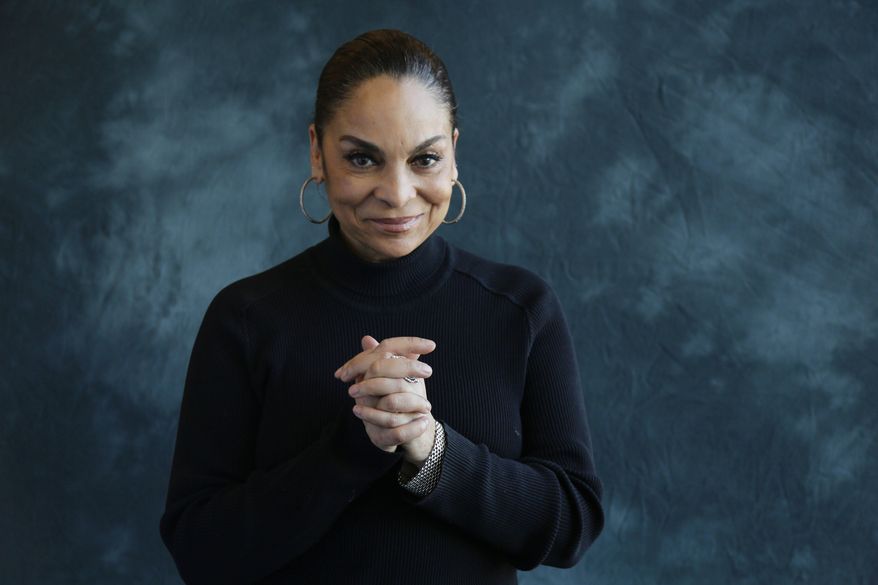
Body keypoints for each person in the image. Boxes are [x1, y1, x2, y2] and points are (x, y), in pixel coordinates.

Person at [159, 28, 604, 585]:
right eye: (363, 159)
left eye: (425, 159)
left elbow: (572, 526)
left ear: (454, 156)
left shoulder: (521, 309)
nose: (397, 193)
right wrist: (354, 447)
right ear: (317, 153)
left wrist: (431, 449)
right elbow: (201, 551)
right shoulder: (245, 319)